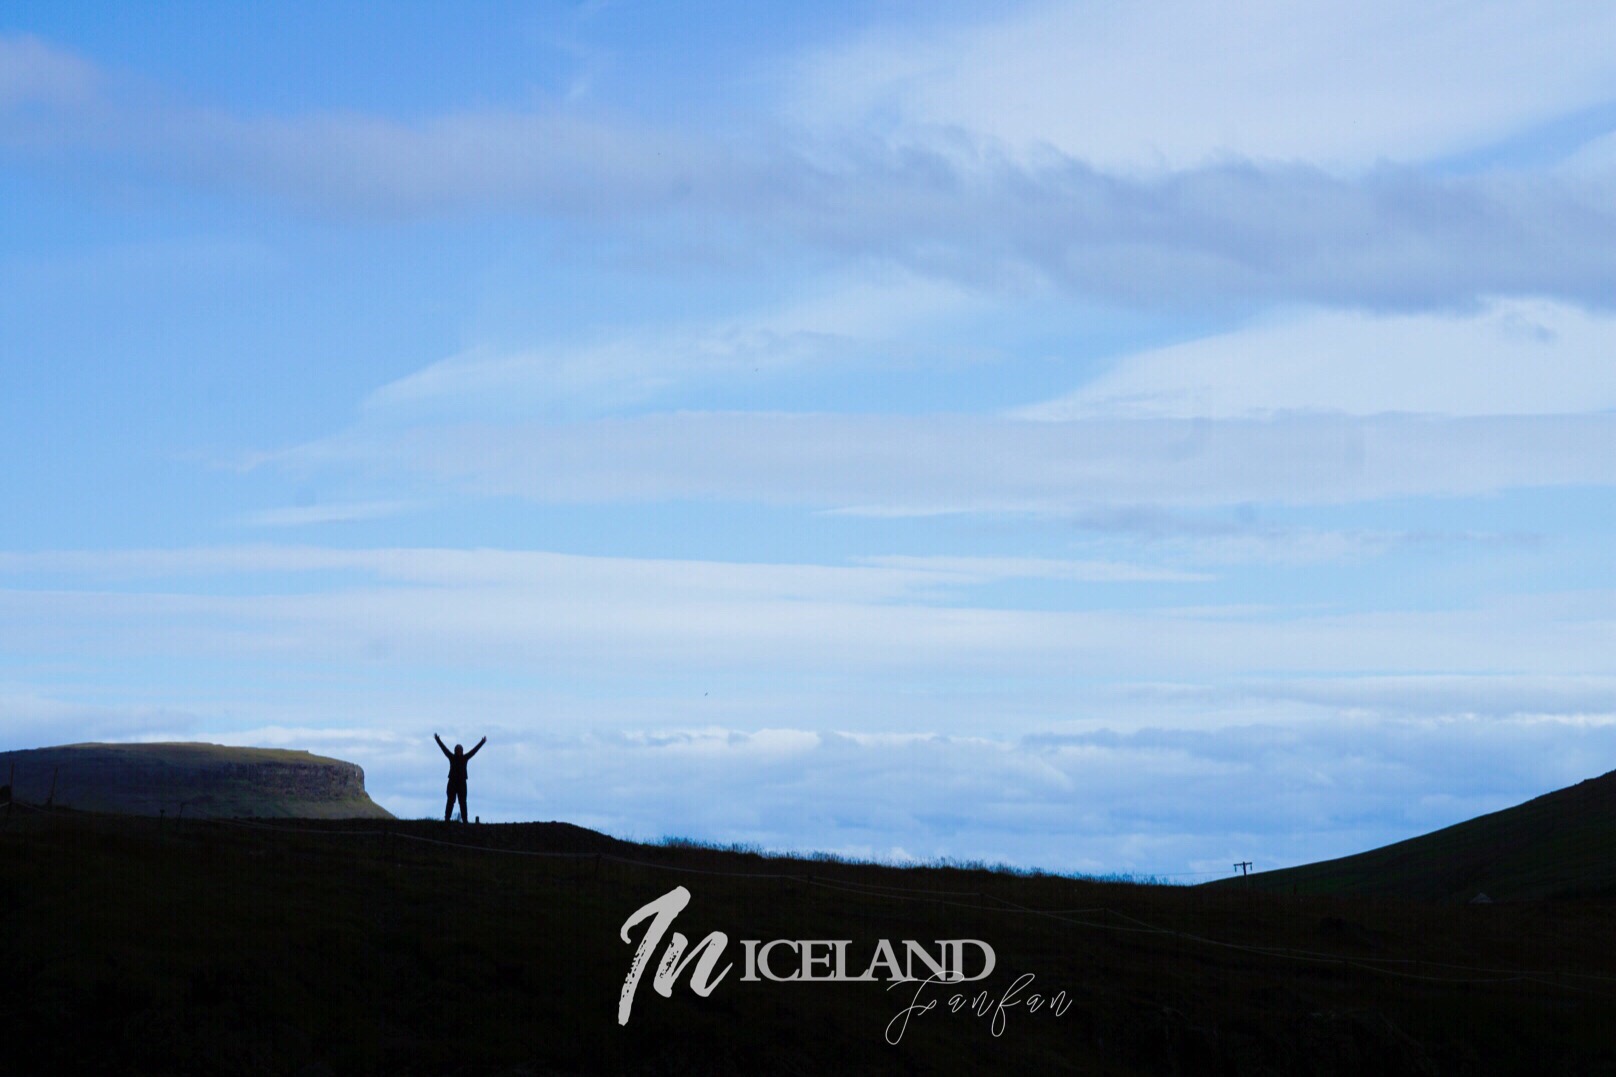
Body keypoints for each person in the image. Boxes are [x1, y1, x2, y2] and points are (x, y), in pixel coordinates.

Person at [435, 733, 485, 823]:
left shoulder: (464, 758)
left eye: (460, 750)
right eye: (457, 750)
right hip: (453, 782)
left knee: (462, 802)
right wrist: (438, 740)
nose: (459, 751)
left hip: (461, 783)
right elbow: (444, 749)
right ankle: (447, 818)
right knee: (451, 801)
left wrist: (481, 742)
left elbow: (474, 750)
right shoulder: (452, 757)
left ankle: (464, 820)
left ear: (462, 751)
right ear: (455, 751)